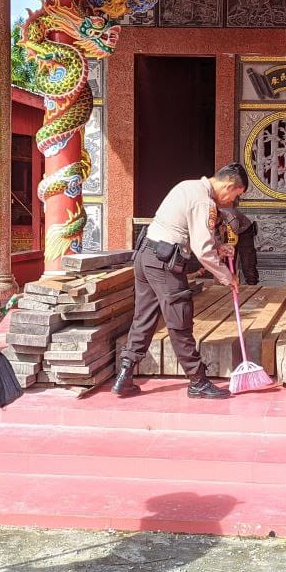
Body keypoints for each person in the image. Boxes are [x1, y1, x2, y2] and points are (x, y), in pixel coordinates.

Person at [111, 163, 246, 399]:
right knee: (179, 319)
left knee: (144, 316)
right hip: (164, 262)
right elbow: (202, 250)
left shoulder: (189, 186)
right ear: (229, 185)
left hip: (145, 256)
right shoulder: (204, 202)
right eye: (235, 195)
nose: (231, 202)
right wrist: (227, 277)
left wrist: (219, 247)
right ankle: (197, 381)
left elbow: (188, 230)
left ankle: (125, 374)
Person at [218, 205, 259, 286]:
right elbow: (216, 237)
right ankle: (229, 283)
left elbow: (234, 235)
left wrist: (227, 248)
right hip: (229, 231)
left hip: (245, 231)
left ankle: (252, 284)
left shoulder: (229, 216)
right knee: (227, 259)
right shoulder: (211, 219)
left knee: (247, 259)